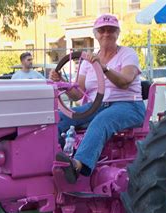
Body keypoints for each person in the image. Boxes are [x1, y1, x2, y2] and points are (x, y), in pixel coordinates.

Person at [50, 14, 146, 183]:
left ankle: (77, 165)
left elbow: (124, 82)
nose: (106, 34)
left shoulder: (127, 54)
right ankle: (51, 159)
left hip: (128, 105)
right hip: (97, 105)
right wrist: (62, 81)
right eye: (102, 30)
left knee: (102, 121)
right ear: (96, 34)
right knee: (60, 116)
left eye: (111, 30)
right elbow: (77, 94)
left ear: (118, 33)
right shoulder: (88, 61)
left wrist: (104, 68)